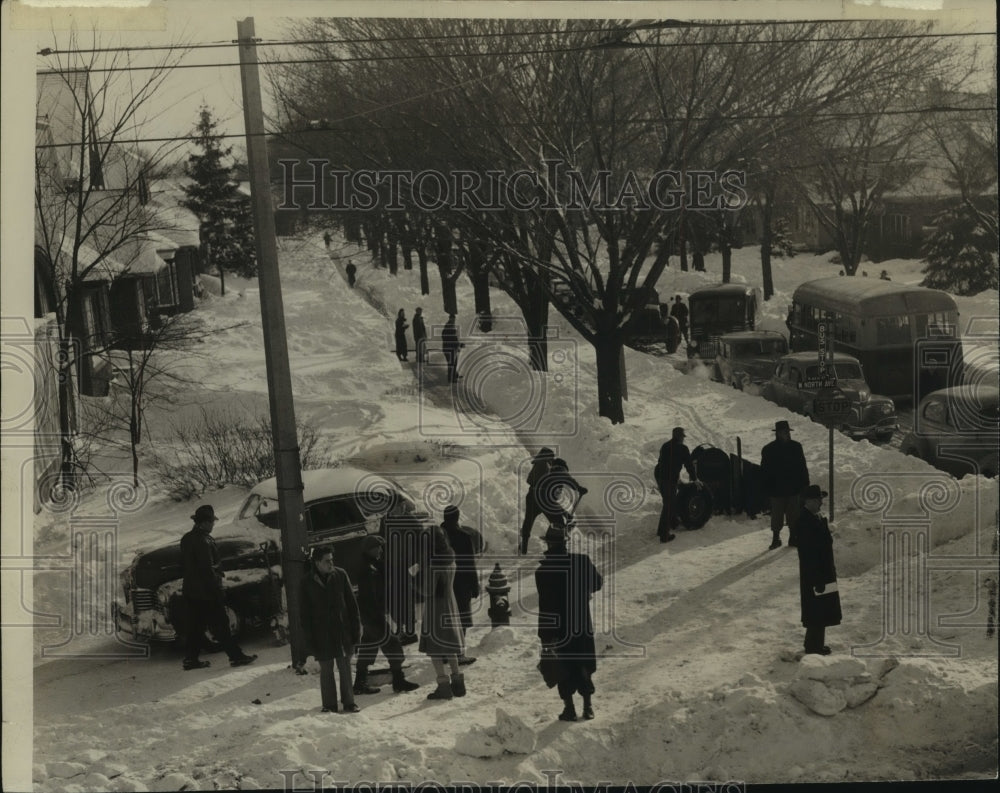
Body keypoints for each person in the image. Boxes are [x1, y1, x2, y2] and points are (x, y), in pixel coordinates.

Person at [535, 524, 603, 722]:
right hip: (581, 624)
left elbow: (545, 607)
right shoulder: (582, 561)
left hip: (558, 629)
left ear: (548, 544)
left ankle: (569, 709)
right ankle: (588, 707)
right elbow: (597, 583)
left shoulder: (543, 571)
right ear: (566, 542)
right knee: (582, 664)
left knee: (563, 667)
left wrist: (545, 636)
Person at [180, 505, 257, 671]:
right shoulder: (204, 541)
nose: (213, 525)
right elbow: (207, 569)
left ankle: (190, 659)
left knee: (196, 627)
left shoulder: (186, 538)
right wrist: (217, 591)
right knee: (222, 624)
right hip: (206, 592)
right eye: (211, 522)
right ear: (204, 523)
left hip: (191, 591)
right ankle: (236, 657)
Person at [353, 535, 420, 695]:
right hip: (373, 615)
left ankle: (359, 683)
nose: (381, 550)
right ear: (370, 549)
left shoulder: (372, 565)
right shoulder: (369, 569)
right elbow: (373, 594)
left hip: (370, 615)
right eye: (378, 547)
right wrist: (378, 614)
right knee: (393, 645)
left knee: (369, 647)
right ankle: (398, 681)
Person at [300, 546, 362, 713]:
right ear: (317, 562)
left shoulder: (340, 575)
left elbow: (352, 605)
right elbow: (304, 615)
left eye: (332, 559)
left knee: (345, 668)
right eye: (327, 560)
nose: (331, 563)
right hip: (322, 635)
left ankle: (349, 702)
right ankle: (329, 706)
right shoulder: (306, 582)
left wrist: (356, 631)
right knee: (326, 671)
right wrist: (310, 640)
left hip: (343, 632)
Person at [417, 524, 467, 700]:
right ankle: (458, 680)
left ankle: (443, 685)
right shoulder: (450, 557)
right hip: (450, 603)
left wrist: (413, 579)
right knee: (450, 645)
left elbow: (427, 590)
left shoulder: (433, 564)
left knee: (435, 648)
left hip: (435, 608)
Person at [795, 485, 842, 655]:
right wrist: (817, 578)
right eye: (817, 499)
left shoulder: (815, 518)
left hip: (822, 572)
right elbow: (808, 554)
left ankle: (815, 644)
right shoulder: (805, 522)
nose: (821, 503)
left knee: (822, 609)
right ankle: (813, 647)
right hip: (815, 574)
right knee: (815, 610)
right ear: (808, 501)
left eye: (820, 499)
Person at [441, 505, 485, 665]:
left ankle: (446, 653)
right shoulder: (464, 536)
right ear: (458, 517)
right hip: (461, 584)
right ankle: (458, 653)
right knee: (462, 619)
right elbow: (469, 564)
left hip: (442, 583)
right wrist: (475, 585)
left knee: (447, 618)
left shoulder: (439, 535)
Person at [760, 420, 810, 550]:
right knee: (777, 515)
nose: (785, 434)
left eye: (787, 431)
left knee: (793, 514)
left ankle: (793, 537)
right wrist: (765, 488)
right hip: (776, 488)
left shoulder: (796, 447)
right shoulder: (768, 449)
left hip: (793, 487)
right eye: (783, 432)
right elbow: (764, 470)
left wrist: (805, 484)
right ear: (777, 433)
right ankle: (776, 538)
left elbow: (802, 467)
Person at [653, 427, 697, 542]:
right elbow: (689, 465)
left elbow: (660, 462)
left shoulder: (665, 446)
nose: (683, 439)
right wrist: (695, 479)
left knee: (667, 502)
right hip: (668, 479)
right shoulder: (683, 449)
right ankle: (664, 535)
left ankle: (663, 529)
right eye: (683, 437)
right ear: (679, 437)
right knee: (669, 504)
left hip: (659, 475)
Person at [536, 457, 588, 532]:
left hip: (541, 499)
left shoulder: (551, 472)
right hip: (545, 500)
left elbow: (552, 503)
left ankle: (553, 535)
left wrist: (566, 514)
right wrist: (579, 488)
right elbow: (568, 479)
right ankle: (556, 537)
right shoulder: (560, 470)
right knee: (558, 521)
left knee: (556, 520)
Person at [519, 447, 555, 555]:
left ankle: (524, 546)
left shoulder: (538, 464)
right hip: (540, 497)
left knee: (528, 521)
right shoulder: (544, 465)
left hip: (532, 496)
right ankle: (554, 545)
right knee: (555, 520)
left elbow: (529, 480)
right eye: (551, 457)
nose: (552, 459)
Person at [442, 313, 463, 383]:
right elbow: (452, 339)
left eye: (454, 319)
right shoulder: (449, 327)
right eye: (452, 318)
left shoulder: (450, 326)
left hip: (449, 348)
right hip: (449, 348)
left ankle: (454, 375)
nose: (454, 320)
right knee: (452, 363)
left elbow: (453, 339)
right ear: (450, 318)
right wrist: (459, 344)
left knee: (454, 362)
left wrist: (458, 344)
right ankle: (451, 378)